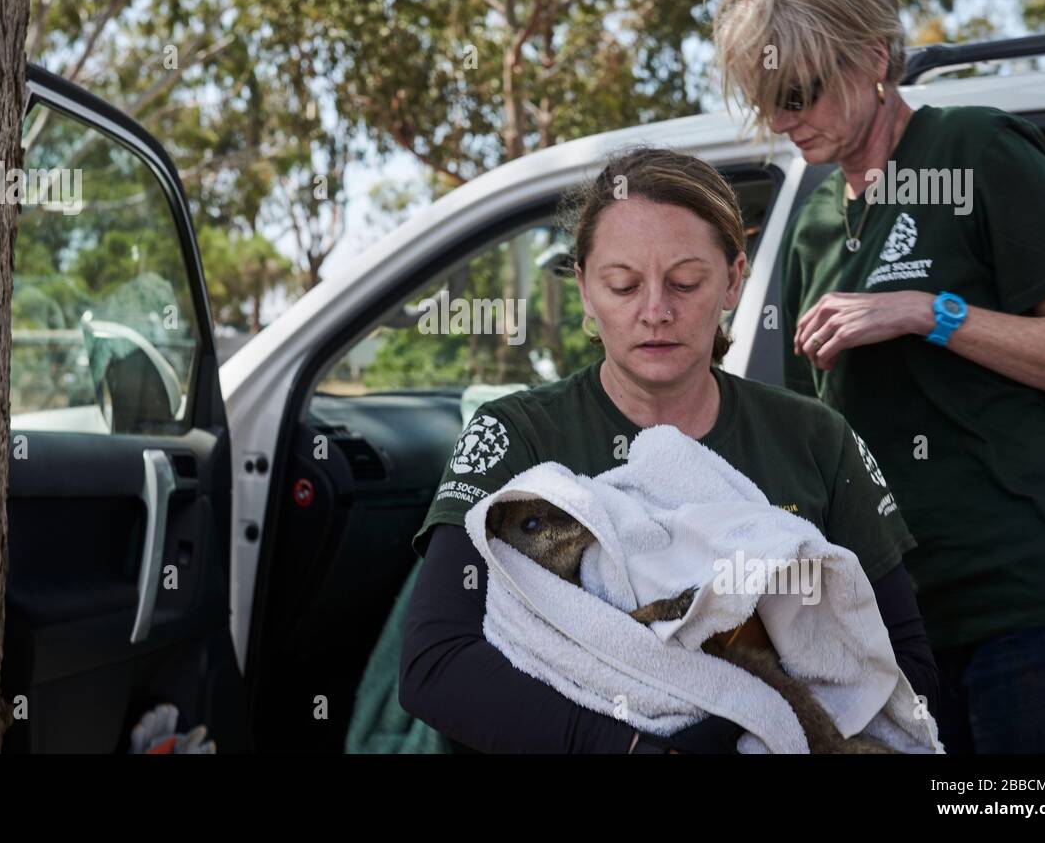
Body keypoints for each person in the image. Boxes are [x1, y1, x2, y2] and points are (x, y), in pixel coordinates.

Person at [710, 0, 1045, 752]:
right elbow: (811, 435)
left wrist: (930, 311)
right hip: (901, 631)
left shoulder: (978, 150)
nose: (784, 118)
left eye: (798, 92)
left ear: (873, 58)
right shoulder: (816, 220)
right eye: (767, 99)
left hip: (1040, 616)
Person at [398, 146, 938, 753]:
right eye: (623, 285)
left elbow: (900, 667)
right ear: (583, 288)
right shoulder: (514, 435)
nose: (655, 311)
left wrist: (765, 735)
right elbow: (435, 665)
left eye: (686, 281)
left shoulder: (815, 439)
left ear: (734, 279)